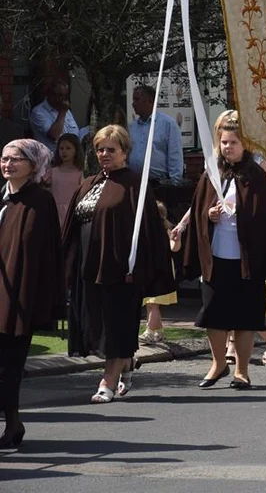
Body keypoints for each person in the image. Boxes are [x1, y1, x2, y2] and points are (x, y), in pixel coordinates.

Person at [62, 125, 175, 403]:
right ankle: (126, 364)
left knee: (115, 326)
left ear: (125, 152)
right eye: (100, 149)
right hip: (88, 267)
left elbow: (149, 230)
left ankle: (108, 381)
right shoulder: (89, 182)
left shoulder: (135, 184)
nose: (104, 154)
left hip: (120, 270)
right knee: (96, 325)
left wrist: (138, 268)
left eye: (111, 149)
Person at [183, 111, 266, 390]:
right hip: (217, 258)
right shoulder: (212, 174)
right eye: (224, 142)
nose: (227, 147)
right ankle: (218, 363)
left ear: (245, 145)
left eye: (232, 142)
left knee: (245, 317)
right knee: (214, 314)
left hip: (247, 260)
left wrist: (243, 215)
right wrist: (210, 215)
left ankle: (242, 370)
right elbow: (198, 211)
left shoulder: (256, 177)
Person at [0, 139, 63, 448]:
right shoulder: (2, 200)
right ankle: (13, 422)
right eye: (4, 159)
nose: (8, 164)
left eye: (16, 160)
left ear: (33, 165)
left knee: (9, 363)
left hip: (18, 296)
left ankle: (12, 423)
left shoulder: (39, 201)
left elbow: (42, 254)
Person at [138, 202, 180, 346]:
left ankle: (150, 331)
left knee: (152, 304)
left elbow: (174, 248)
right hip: (155, 272)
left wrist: (176, 240)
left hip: (161, 272)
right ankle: (159, 332)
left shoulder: (164, 231)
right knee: (151, 304)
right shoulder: (147, 232)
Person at [128, 84, 184, 185]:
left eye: (137, 99)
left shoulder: (168, 124)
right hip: (135, 183)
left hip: (158, 183)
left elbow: (175, 154)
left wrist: (175, 182)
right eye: (133, 100)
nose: (133, 104)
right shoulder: (132, 127)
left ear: (149, 101)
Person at [29, 78, 80, 153]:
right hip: (50, 158)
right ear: (49, 94)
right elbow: (54, 136)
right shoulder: (38, 112)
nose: (61, 99)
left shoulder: (66, 110)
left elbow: (75, 133)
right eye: (58, 95)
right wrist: (62, 113)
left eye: (64, 96)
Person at [50, 132, 84, 223]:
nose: (64, 151)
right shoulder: (52, 172)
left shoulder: (80, 173)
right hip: (53, 212)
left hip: (72, 213)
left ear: (76, 150)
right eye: (61, 148)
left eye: (68, 148)